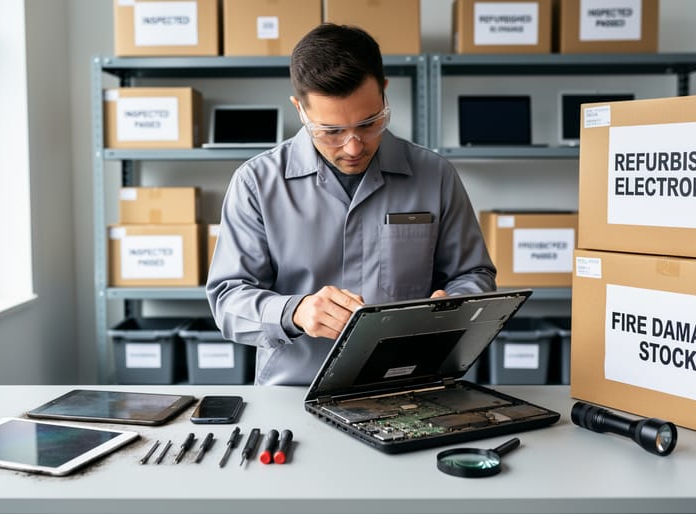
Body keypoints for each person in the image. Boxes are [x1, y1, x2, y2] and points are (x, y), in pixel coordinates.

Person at [206, 23, 496, 386]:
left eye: (370, 123)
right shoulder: (256, 183)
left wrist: (454, 304)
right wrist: (294, 312)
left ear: (384, 94)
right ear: (300, 109)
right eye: (332, 132)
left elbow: (474, 275)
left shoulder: (434, 174)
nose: (354, 147)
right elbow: (228, 301)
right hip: (295, 391)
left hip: (407, 387)